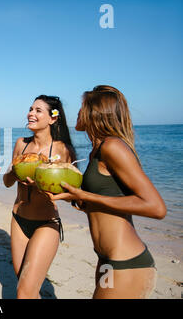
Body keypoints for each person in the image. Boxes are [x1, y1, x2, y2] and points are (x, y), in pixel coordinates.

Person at [51, 85, 166, 298]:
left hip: (126, 264)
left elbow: (156, 208)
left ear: (95, 112)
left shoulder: (113, 147)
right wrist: (73, 198)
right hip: (106, 261)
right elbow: (103, 204)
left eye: (82, 106)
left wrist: (85, 195)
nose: (77, 112)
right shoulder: (97, 149)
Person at [3, 95, 76, 298]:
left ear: (53, 118)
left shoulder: (62, 150)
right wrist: (16, 168)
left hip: (46, 223)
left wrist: (45, 185)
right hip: (18, 221)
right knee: (26, 287)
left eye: (38, 110)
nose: (31, 114)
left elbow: (75, 196)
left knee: (24, 292)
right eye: (30, 109)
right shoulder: (21, 144)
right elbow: (7, 182)